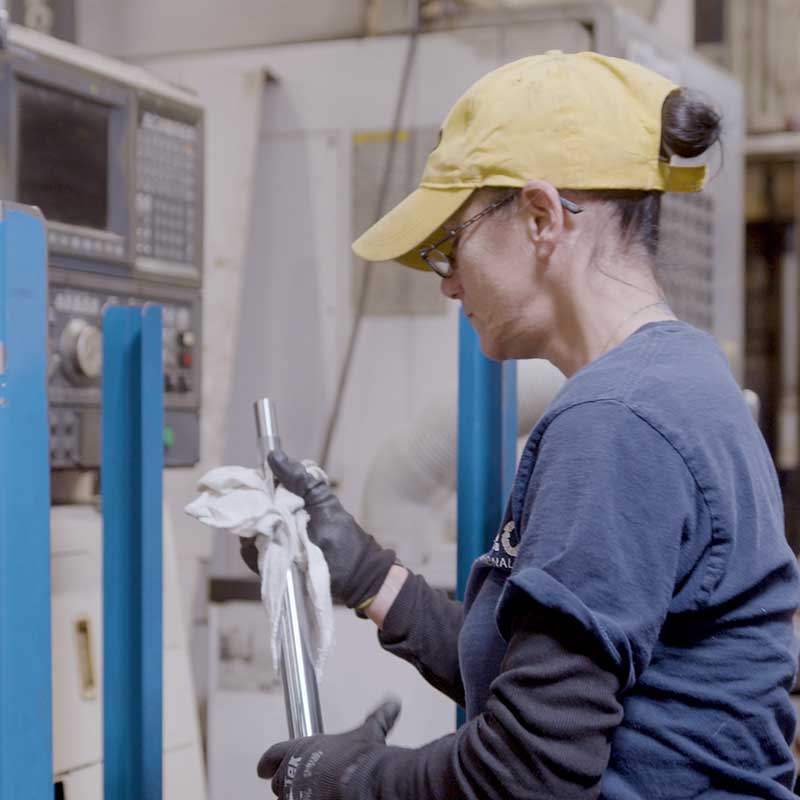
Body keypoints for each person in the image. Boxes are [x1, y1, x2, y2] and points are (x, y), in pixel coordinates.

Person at [241, 51, 800, 798]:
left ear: (541, 217)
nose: (447, 282)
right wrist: (371, 577)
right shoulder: (673, 383)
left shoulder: (616, 421)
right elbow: (547, 678)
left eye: (450, 245)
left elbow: (529, 770)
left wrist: (354, 782)